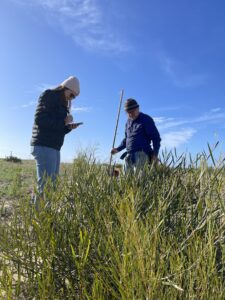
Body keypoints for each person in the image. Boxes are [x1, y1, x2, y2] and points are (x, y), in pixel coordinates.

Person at [30, 76, 80, 205]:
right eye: (72, 95)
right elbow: (40, 120)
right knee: (45, 185)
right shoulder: (49, 95)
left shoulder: (63, 106)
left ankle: (45, 218)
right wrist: (63, 121)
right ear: (66, 88)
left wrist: (68, 128)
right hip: (44, 144)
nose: (71, 99)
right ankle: (38, 220)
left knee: (51, 185)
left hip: (54, 147)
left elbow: (59, 129)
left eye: (74, 97)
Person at [111, 98, 161, 173]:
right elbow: (127, 139)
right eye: (128, 112)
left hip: (142, 155)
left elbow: (156, 138)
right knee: (126, 181)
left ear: (138, 108)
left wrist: (155, 154)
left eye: (132, 111)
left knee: (140, 181)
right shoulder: (128, 122)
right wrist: (117, 149)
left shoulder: (146, 119)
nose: (130, 114)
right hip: (128, 155)